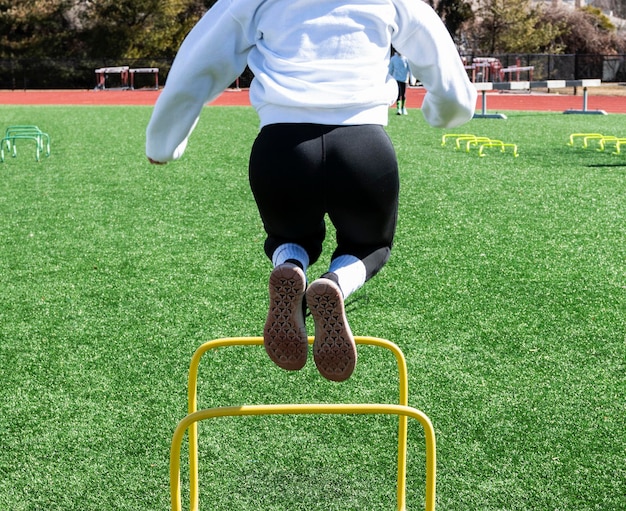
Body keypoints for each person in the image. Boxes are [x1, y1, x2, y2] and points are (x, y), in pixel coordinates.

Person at [146, 0, 477, 382]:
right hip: (364, 148)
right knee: (369, 246)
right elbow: (443, 66)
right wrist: (443, 113)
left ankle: (290, 267)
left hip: (282, 149)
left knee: (290, 236)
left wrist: (163, 143)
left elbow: (198, 61)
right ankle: (335, 283)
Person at [388, 49, 413, 115]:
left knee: (403, 94)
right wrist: (389, 78)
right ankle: (398, 109)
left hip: (404, 79)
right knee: (398, 94)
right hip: (396, 79)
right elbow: (391, 69)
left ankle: (403, 108)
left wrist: (412, 80)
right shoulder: (393, 59)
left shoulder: (406, 58)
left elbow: (410, 69)